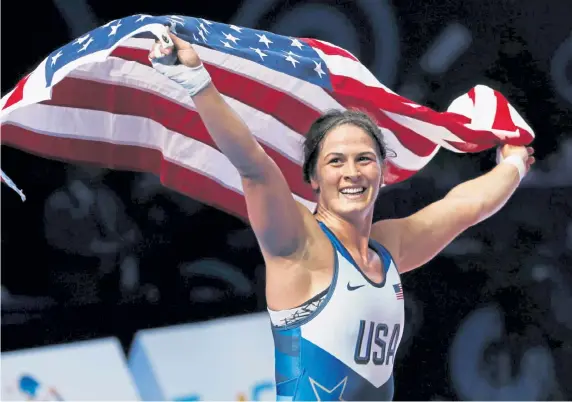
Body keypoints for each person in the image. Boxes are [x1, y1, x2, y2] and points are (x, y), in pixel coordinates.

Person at [149, 30, 535, 401]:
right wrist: (198, 82)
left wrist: (513, 165)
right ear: (314, 179)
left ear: (382, 173)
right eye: (336, 161)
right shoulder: (300, 244)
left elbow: (464, 208)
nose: (351, 172)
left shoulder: (389, 249)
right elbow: (254, 167)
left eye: (364, 159)